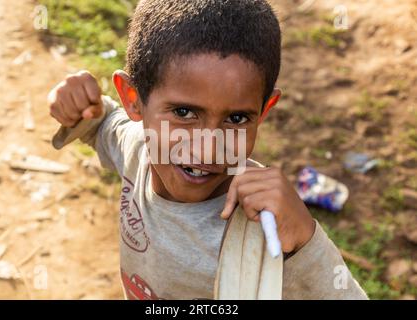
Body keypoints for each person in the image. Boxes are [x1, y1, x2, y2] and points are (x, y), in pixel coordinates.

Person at [48, 0, 367, 300]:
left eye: (237, 118)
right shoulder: (138, 150)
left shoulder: (265, 226)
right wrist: (83, 106)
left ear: (264, 110)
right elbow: (105, 127)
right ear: (133, 99)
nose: (208, 149)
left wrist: (306, 243)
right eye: (184, 113)